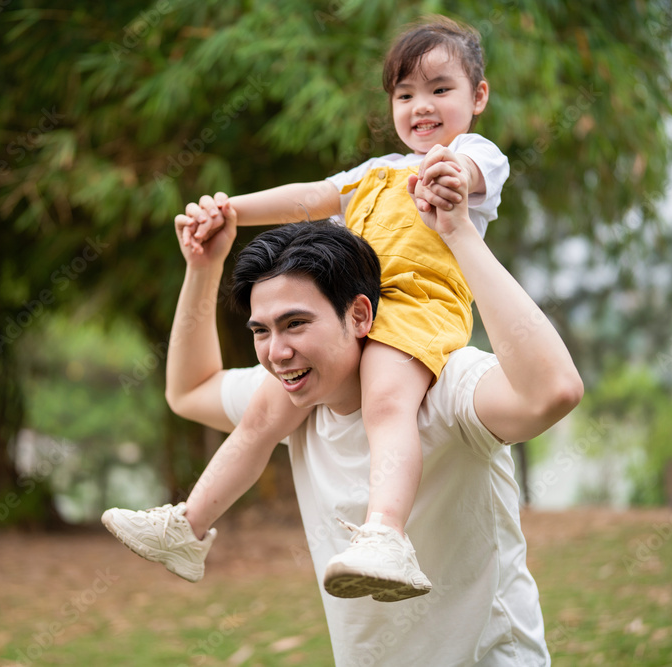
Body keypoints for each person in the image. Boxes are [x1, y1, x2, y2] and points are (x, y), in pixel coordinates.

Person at [104, 15, 510, 602]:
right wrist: (231, 211)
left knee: (388, 401)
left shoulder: (474, 154)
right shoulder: (376, 173)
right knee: (263, 415)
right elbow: (307, 198)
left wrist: (452, 174)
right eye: (405, 94)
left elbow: (475, 174)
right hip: (352, 306)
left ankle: (386, 534)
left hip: (418, 307)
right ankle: (187, 526)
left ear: (478, 97)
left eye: (440, 90)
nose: (421, 106)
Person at [107, 164, 581, 663]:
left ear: (359, 315)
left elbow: (556, 391)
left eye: (295, 324)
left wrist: (461, 233)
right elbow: (189, 390)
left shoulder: (445, 385)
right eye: (261, 330)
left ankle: (385, 533)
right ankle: (186, 526)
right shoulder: (295, 400)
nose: (277, 352)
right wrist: (204, 268)